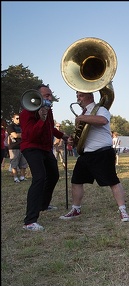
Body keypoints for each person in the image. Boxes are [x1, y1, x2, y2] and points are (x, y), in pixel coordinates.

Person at [59, 91, 129, 223]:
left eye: (80, 95)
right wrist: (72, 140)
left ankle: (123, 210)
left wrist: (81, 118)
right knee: (76, 181)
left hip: (102, 152)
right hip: (86, 153)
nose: (78, 98)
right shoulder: (83, 114)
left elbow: (102, 121)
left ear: (90, 96)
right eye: (77, 96)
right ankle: (76, 209)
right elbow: (81, 136)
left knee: (112, 181)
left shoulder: (100, 109)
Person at [20, 84, 69, 231]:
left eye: (50, 95)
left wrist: (62, 135)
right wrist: (41, 119)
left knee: (53, 175)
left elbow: (50, 128)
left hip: (45, 148)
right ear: (37, 96)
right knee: (39, 178)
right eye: (46, 95)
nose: (50, 98)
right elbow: (31, 135)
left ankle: (43, 205)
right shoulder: (26, 113)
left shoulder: (48, 111)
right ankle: (29, 221)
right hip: (32, 148)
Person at [7, 113, 28, 183]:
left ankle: (22, 177)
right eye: (17, 118)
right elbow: (15, 135)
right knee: (14, 163)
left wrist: (20, 135)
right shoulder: (10, 126)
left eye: (20, 118)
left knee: (23, 163)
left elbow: (28, 133)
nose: (19, 120)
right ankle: (15, 177)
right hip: (14, 147)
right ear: (13, 119)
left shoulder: (23, 126)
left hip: (23, 146)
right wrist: (23, 134)